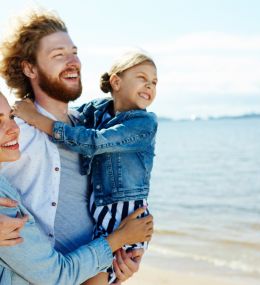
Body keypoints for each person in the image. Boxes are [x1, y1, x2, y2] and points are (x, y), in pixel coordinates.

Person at [0, 9, 147, 284]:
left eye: (74, 52)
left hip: (92, 270)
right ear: (29, 68)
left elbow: (119, 196)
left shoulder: (92, 128)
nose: (73, 62)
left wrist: (125, 256)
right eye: (58, 55)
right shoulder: (16, 131)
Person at [0, 92, 152, 284]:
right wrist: (119, 238)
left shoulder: (86, 124)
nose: (13, 128)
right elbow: (56, 275)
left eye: (11, 116)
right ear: (28, 67)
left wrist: (117, 261)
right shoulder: (4, 203)